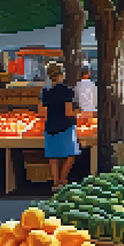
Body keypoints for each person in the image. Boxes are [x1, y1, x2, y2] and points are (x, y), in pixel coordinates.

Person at [39, 62, 81, 190]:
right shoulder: (67, 91)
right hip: (66, 127)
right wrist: (77, 112)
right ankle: (63, 179)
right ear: (61, 75)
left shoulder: (45, 91)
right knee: (70, 155)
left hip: (50, 126)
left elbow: (41, 112)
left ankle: (55, 182)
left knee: (53, 156)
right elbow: (68, 112)